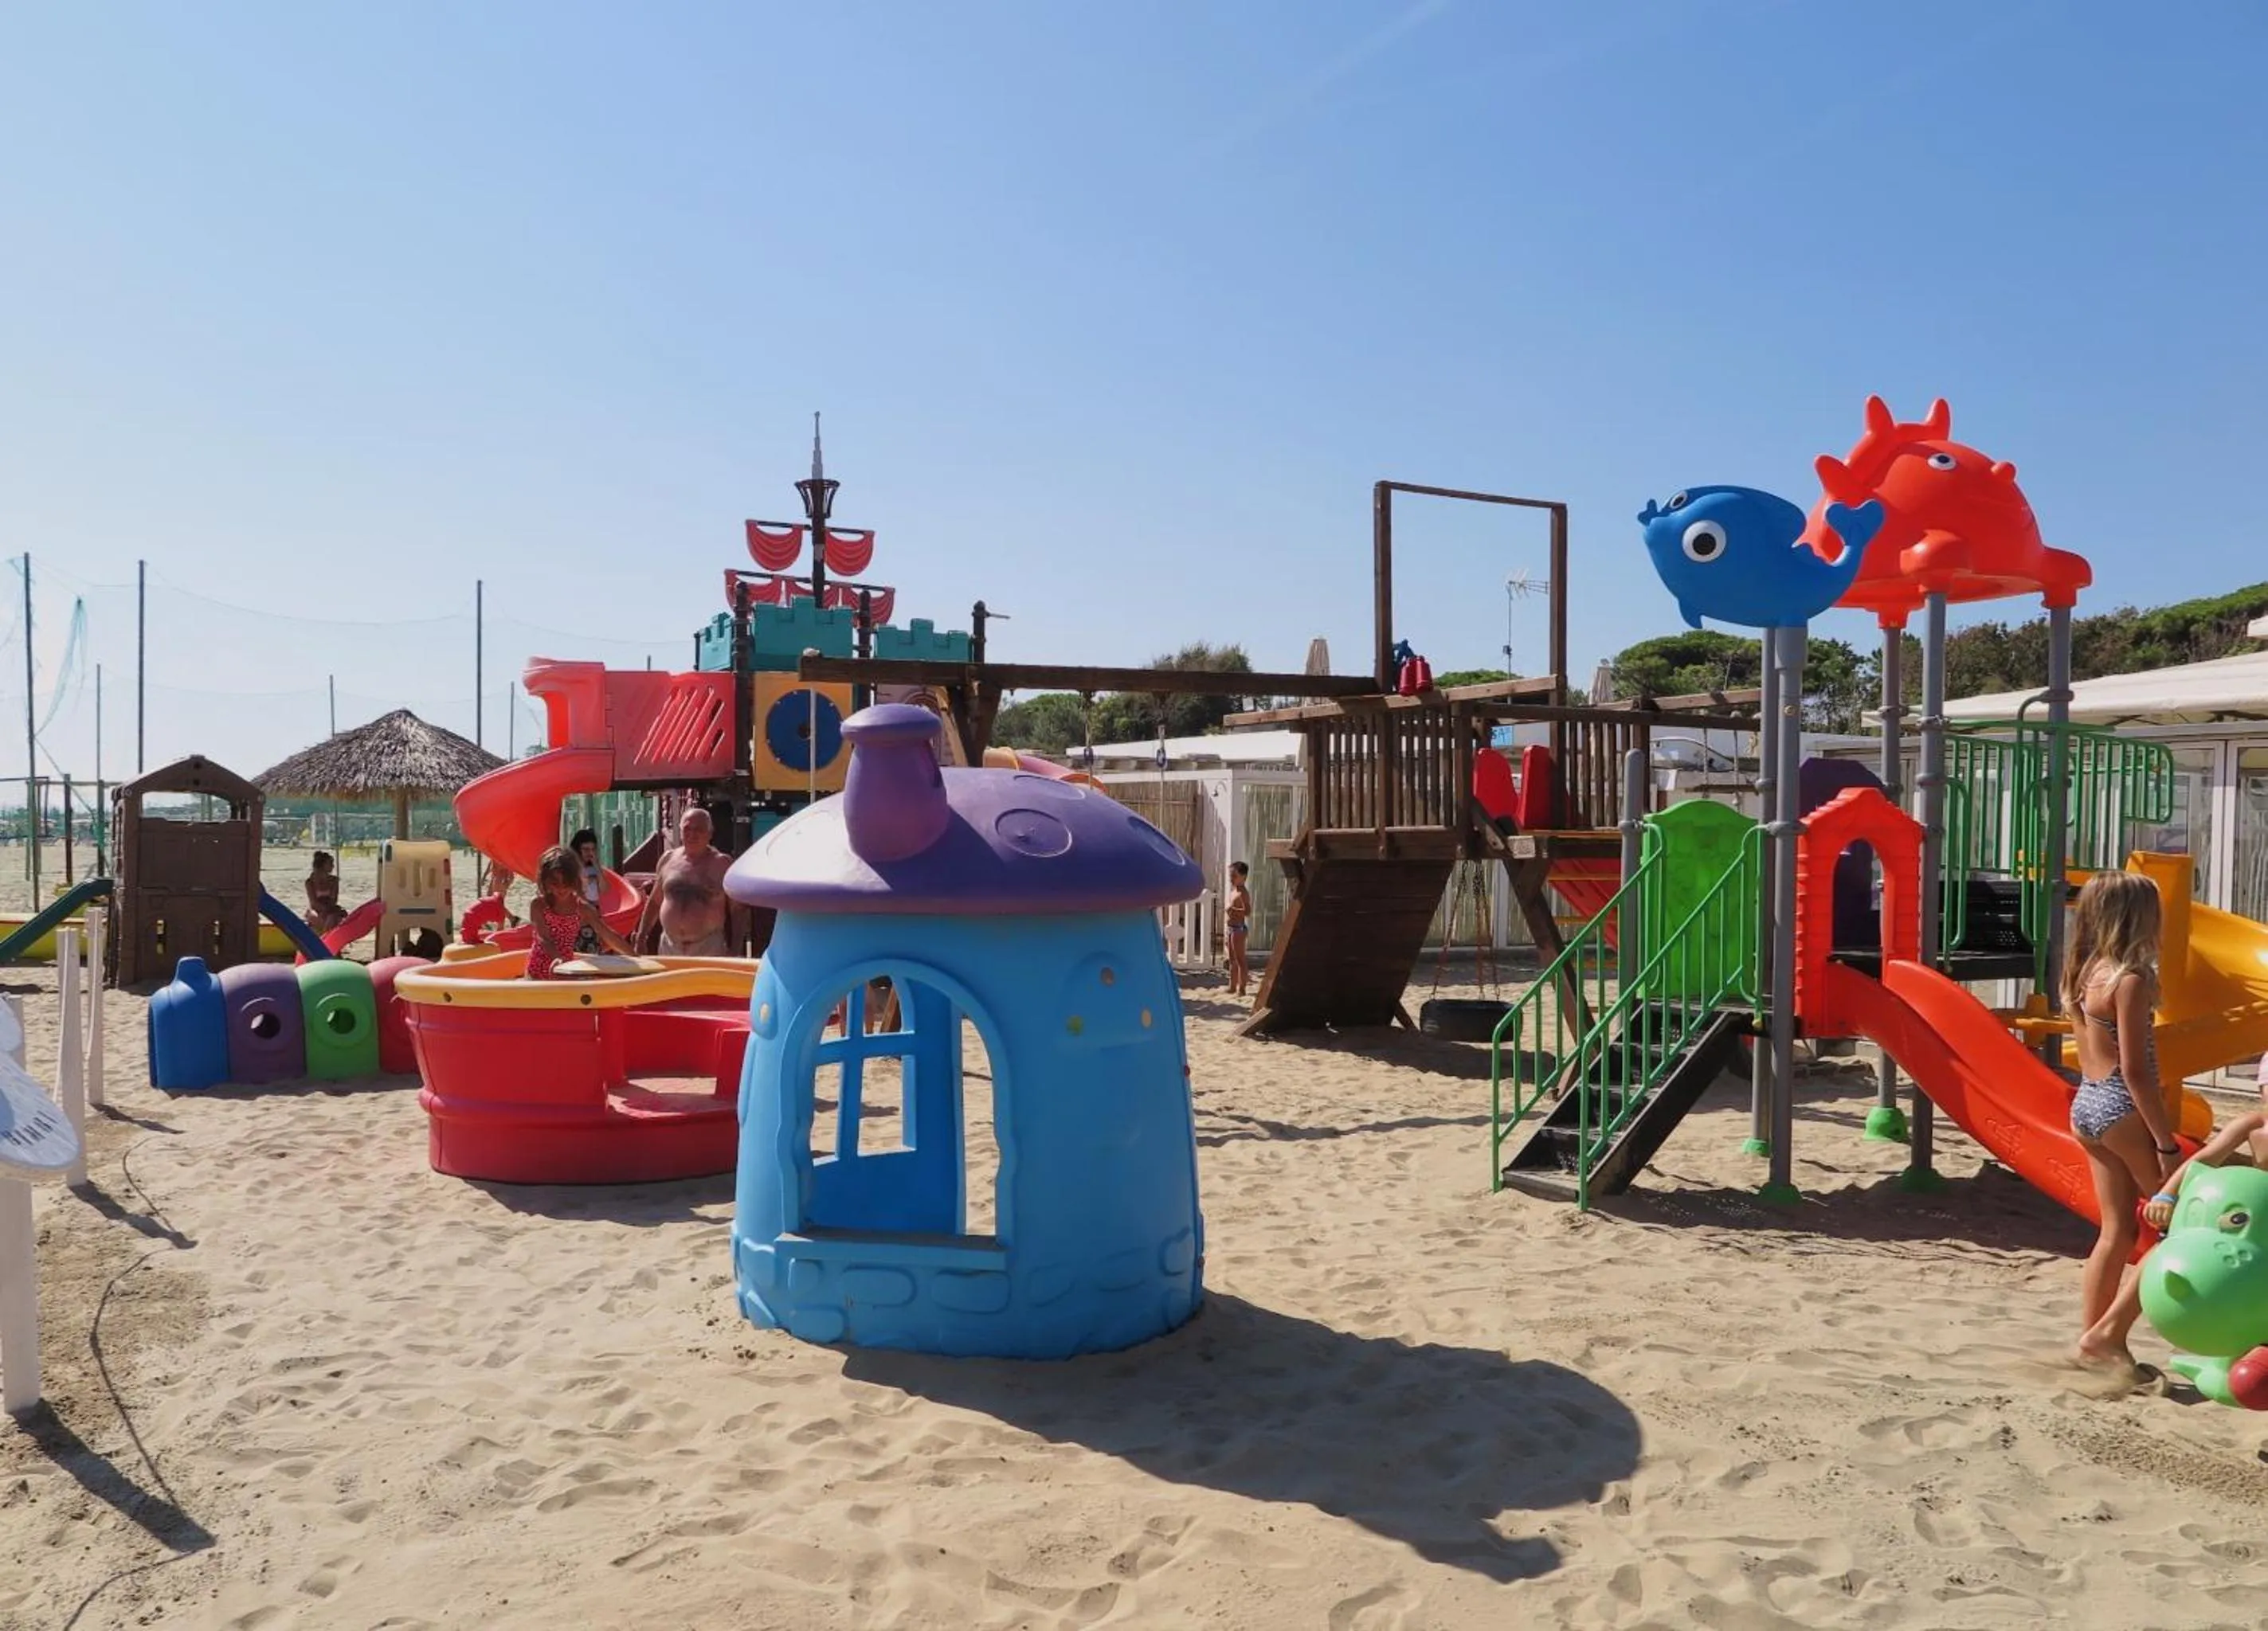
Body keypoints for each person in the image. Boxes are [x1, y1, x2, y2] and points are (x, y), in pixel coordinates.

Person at [2066, 871, 2185, 1375]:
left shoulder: (2084, 970)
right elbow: (2136, 1072)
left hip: (2086, 1103)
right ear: (2138, 917)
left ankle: (2093, 1341)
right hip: (2120, 1104)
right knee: (2175, 1226)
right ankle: (2109, 1336)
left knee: (2115, 1231)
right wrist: (2165, 1143)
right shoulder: (2130, 979)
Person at [635, 808, 735, 956]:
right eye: (687, 828)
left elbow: (738, 910)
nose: (692, 834)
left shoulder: (722, 864)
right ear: (681, 831)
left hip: (708, 948)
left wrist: (736, 947)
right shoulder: (668, 859)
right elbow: (655, 902)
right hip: (669, 947)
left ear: (710, 833)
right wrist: (642, 936)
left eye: (699, 829)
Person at [527, 846, 630, 980]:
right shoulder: (539, 905)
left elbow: (607, 934)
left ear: (575, 881)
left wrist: (634, 957)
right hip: (538, 969)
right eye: (555, 883)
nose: (561, 888)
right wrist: (558, 958)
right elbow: (544, 938)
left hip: (565, 971)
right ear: (545, 881)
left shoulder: (582, 908)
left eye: (566, 883)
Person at [460, 861, 516, 945]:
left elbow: (511, 874)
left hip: (501, 882)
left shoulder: (503, 858)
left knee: (498, 904)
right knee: (492, 903)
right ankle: (510, 920)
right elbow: (490, 867)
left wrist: (507, 883)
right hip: (494, 881)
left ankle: (503, 925)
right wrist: (484, 877)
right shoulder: (494, 856)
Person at [570, 827, 605, 953]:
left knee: (593, 946)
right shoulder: (572, 866)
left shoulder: (593, 868)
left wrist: (597, 865)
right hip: (580, 909)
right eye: (585, 849)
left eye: (593, 849)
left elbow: (604, 888)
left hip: (594, 908)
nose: (590, 853)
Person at [1224, 860, 1252, 997]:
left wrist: (1232, 909)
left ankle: (1242, 988)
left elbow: (1247, 912)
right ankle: (1232, 986)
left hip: (1238, 929)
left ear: (1243, 877)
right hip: (1231, 928)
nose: (1231, 878)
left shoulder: (1243, 894)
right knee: (1231, 959)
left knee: (1240, 959)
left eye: (1234, 876)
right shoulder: (1233, 891)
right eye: (1230, 876)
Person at [304, 851, 347, 935]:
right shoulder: (310, 882)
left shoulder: (334, 881)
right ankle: (325, 941)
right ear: (323, 865)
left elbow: (333, 900)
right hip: (316, 909)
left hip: (331, 909)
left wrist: (326, 911)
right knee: (315, 917)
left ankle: (325, 942)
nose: (333, 866)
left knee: (331, 918)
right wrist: (322, 911)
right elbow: (313, 902)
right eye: (330, 863)